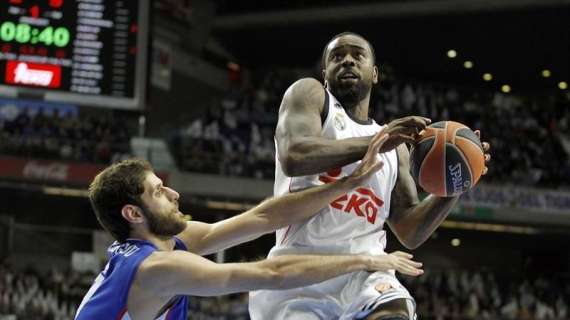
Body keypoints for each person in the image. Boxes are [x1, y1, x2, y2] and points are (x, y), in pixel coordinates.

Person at [249, 32, 491, 320]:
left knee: (395, 313)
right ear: (325, 73)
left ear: (374, 73)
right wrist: (377, 142)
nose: (348, 60)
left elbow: (409, 230)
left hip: (366, 274)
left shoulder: (395, 148)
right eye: (337, 57)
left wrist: (456, 182)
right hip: (300, 270)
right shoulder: (310, 95)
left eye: (357, 55)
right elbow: (294, 155)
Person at [74, 130, 424, 320]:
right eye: (158, 192)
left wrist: (343, 186)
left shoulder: (164, 242)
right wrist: (365, 259)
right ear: (134, 215)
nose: (174, 193)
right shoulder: (156, 268)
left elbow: (263, 218)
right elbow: (272, 274)